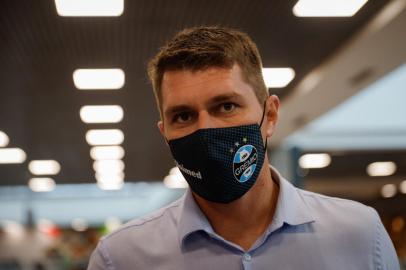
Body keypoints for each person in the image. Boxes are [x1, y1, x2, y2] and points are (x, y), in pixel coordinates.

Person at [87, 26, 399, 270]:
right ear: (164, 133)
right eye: (183, 116)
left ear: (271, 115)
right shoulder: (121, 258)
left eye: (226, 106)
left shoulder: (359, 234)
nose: (205, 129)